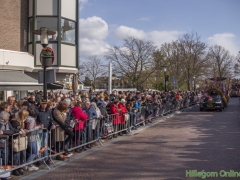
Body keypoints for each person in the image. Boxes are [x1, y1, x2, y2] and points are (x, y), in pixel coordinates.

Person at [35, 100, 55, 165]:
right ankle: (39, 159)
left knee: (45, 145)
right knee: (39, 145)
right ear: (41, 104)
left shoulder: (49, 111)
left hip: (46, 130)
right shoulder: (37, 111)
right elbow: (35, 120)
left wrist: (52, 124)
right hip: (39, 131)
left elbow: (51, 119)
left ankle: (46, 158)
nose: (44, 105)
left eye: (45, 104)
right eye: (43, 104)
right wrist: (38, 125)